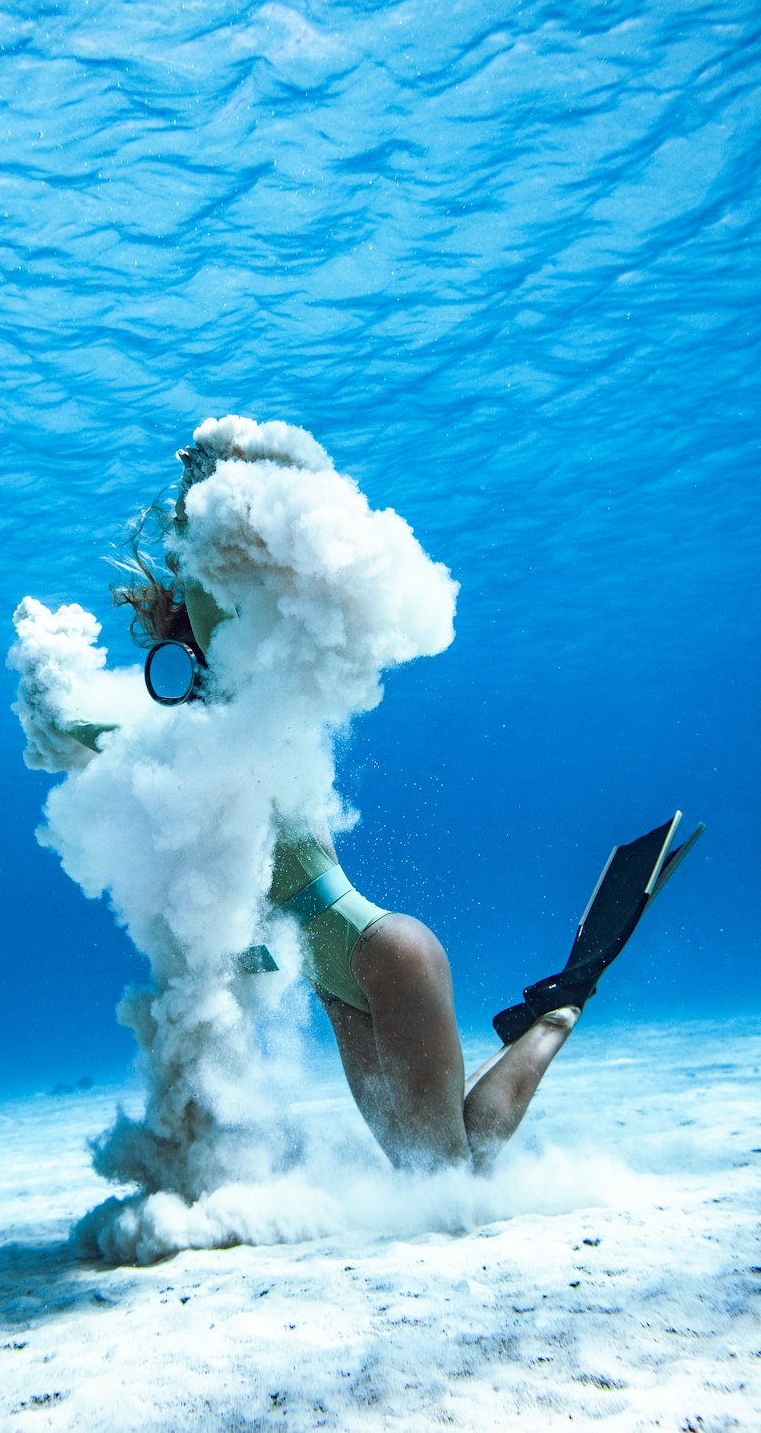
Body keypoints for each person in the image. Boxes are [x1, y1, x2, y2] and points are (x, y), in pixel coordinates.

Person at [40, 421, 699, 1177]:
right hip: (335, 982)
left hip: (386, 955)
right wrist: (49, 704)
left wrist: (212, 483)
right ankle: (561, 1005)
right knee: (443, 1169)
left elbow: (219, 590)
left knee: (441, 1180)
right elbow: (104, 739)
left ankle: (560, 1008)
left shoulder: (261, 681)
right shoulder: (187, 741)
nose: (188, 666)